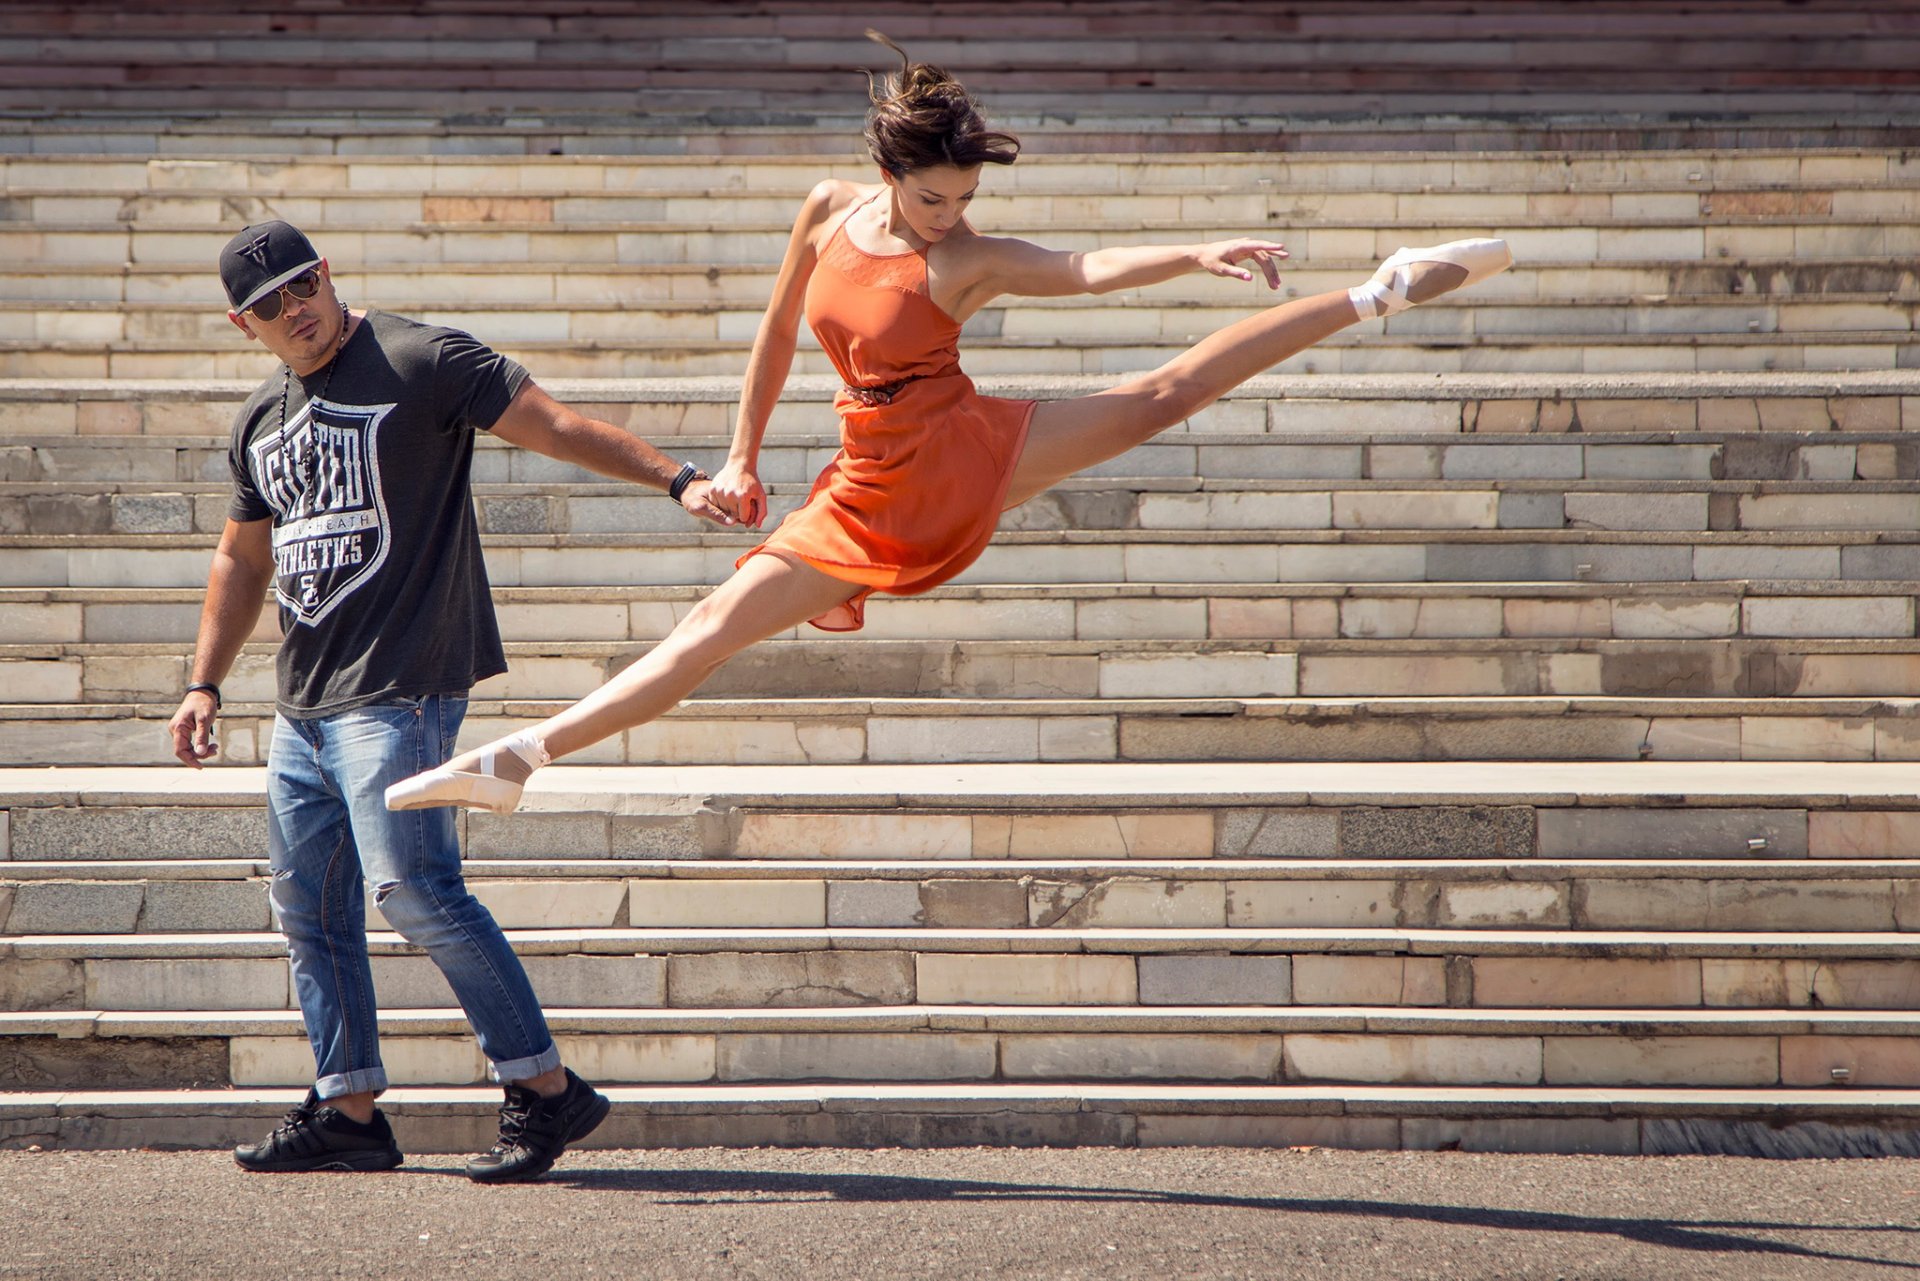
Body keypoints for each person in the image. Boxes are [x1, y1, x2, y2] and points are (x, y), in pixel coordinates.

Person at [385, 32, 1511, 816]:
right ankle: (522, 756)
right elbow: (778, 334)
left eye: (967, 201)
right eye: (935, 199)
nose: (952, 218)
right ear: (886, 172)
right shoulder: (827, 210)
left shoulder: (963, 262)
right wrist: (736, 454)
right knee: (708, 631)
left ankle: (1379, 291)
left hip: (955, 450)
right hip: (862, 471)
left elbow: (1079, 267)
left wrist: (1195, 249)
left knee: (1166, 394)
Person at [167, 219, 732, 1180]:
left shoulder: (419, 357)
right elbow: (241, 554)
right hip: (304, 705)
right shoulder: (260, 418)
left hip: (403, 685)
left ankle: (546, 1091)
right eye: (269, 305)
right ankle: (348, 1108)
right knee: (308, 905)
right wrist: (202, 680)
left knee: (414, 889)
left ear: (326, 274)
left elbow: (550, 422)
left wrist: (678, 478)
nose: (293, 310)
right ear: (242, 323)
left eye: (302, 285)